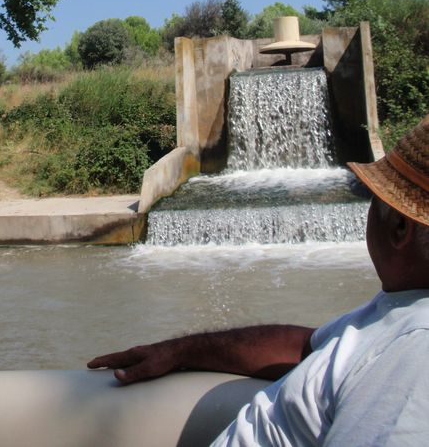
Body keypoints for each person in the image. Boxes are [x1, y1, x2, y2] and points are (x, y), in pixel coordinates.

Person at [88, 115, 429, 446]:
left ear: (400, 228)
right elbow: (303, 348)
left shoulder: (415, 356)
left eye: (377, 198)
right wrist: (178, 351)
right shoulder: (402, 310)